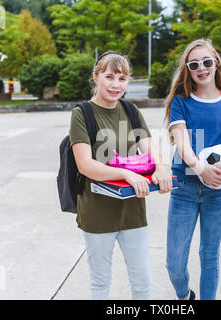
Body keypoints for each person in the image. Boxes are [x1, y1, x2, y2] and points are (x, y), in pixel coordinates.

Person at [70, 51, 173, 300]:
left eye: (122, 78)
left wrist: (160, 167)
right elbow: (85, 165)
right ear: (95, 77)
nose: (116, 85)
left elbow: (150, 149)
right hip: (97, 212)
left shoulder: (131, 110)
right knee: (101, 282)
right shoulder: (82, 114)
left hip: (133, 211)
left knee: (142, 282)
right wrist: (126, 174)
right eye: (109, 77)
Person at [164, 39, 221, 300]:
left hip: (218, 190)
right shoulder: (181, 102)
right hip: (185, 187)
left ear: (216, 64)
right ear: (188, 70)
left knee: (209, 255)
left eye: (206, 62)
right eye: (194, 65)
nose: (201, 68)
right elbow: (181, 142)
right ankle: (184, 296)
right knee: (174, 263)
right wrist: (199, 167)